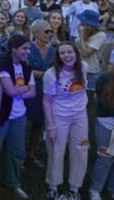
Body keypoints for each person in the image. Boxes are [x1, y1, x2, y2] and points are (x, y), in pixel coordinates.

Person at [0, 35, 36, 198]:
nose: (28, 52)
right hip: (0, 114)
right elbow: (11, 91)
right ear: (14, 49)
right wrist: (22, 89)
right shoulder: (2, 63)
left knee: (17, 151)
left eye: (29, 48)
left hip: (19, 115)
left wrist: (18, 90)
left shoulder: (25, 66)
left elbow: (32, 92)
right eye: (25, 48)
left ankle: (13, 182)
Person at [42, 42, 89, 200]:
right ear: (58, 56)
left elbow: (83, 90)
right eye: (62, 53)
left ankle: (74, 188)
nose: (67, 56)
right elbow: (47, 101)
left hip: (80, 116)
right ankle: (53, 186)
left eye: (70, 52)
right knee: (56, 150)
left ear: (76, 53)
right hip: (59, 116)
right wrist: (51, 126)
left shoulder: (83, 67)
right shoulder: (51, 74)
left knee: (81, 149)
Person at [25, 20, 56, 168]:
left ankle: (30, 153)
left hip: (46, 92)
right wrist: (46, 74)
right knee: (22, 124)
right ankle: (17, 154)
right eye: (46, 31)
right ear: (36, 33)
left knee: (38, 124)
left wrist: (42, 75)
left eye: (51, 32)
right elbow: (23, 72)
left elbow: (57, 71)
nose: (50, 34)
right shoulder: (27, 49)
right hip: (27, 91)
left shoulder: (53, 51)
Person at [90, 68, 114, 200]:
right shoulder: (104, 78)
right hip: (107, 122)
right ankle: (95, 190)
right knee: (105, 157)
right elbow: (104, 103)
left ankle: (112, 189)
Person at [75, 9, 106, 103]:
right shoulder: (83, 35)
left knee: (87, 102)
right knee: (76, 98)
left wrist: (81, 35)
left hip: (90, 71)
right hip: (78, 69)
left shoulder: (100, 35)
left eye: (82, 22)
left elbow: (85, 53)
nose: (79, 24)